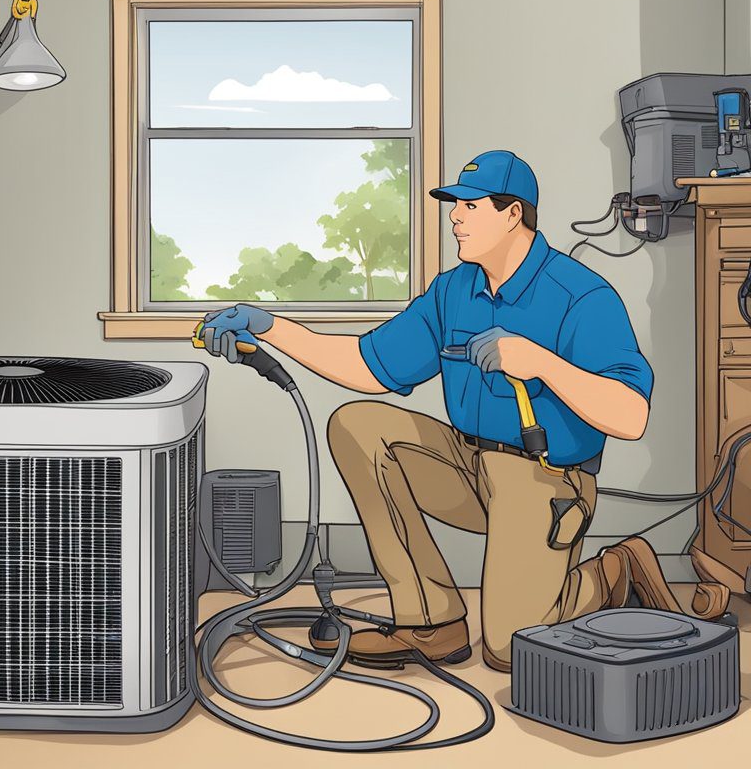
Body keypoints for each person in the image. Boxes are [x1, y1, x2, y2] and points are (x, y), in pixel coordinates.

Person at [199, 149, 728, 672]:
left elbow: (631, 416)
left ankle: (614, 573)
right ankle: (431, 620)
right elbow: (366, 365)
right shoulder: (454, 291)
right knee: (357, 425)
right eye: (455, 204)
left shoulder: (579, 295)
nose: (454, 215)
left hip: (545, 479)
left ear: (513, 213)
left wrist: (539, 361)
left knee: (512, 649)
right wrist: (270, 326)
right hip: (467, 465)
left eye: (471, 205)